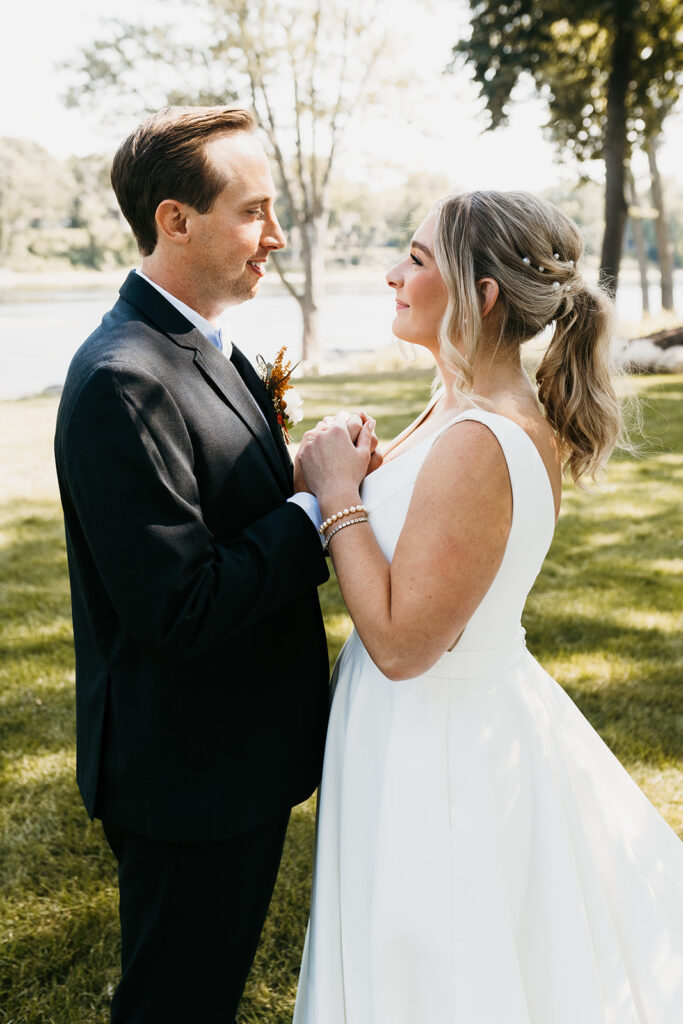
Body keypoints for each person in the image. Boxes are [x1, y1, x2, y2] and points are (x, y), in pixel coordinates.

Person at [293, 190, 683, 1023]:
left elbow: (402, 644)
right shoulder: (455, 407)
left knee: (441, 969)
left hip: (437, 741)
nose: (393, 275)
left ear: (481, 295)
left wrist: (336, 499)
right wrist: (365, 468)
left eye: (418, 259)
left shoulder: (481, 438)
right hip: (419, 722)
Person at [54, 106, 339, 1024]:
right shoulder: (122, 379)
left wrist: (294, 476)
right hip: (187, 775)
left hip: (235, 755)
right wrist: (317, 510)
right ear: (174, 220)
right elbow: (177, 605)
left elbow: (212, 508)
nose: (277, 236)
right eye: (253, 212)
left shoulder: (205, 343)